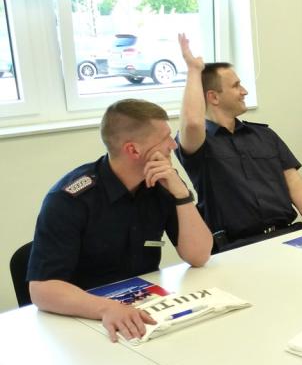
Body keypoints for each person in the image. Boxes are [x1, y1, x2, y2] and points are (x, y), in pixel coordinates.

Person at [26, 99, 212, 342]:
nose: (173, 144)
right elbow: (42, 290)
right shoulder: (70, 199)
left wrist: (181, 194)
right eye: (165, 138)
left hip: (145, 313)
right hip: (86, 322)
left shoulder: (162, 182)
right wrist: (105, 308)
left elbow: (199, 255)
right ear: (133, 150)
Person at [175, 34, 302, 252]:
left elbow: (290, 176)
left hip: (288, 234)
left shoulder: (264, 135)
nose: (244, 91)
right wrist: (194, 71)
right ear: (213, 97)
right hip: (235, 247)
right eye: (236, 86)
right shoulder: (199, 144)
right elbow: (194, 123)